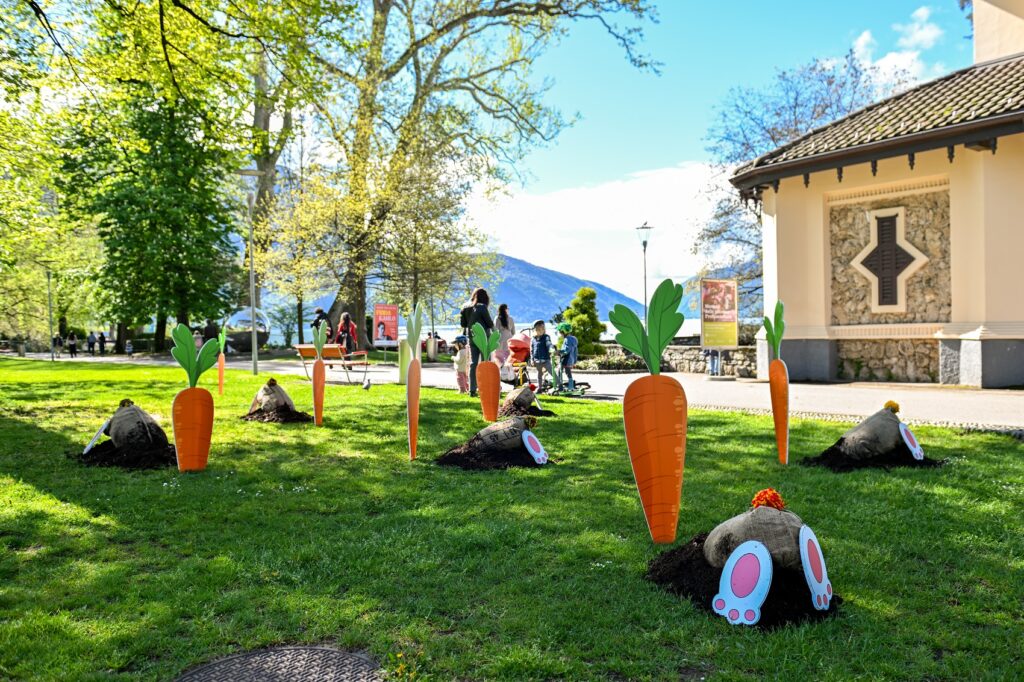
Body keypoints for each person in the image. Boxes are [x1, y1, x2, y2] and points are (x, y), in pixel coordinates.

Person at [459, 288, 494, 397]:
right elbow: (489, 323)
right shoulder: (482, 307)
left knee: (473, 363)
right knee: (485, 362)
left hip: (472, 337)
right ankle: (485, 387)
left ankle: (472, 389)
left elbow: (463, 324)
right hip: (484, 338)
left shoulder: (465, 307)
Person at [530, 320, 554, 391]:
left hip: (545, 359)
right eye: (539, 329)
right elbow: (531, 350)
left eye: (543, 329)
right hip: (537, 360)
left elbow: (549, 343)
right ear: (535, 330)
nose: (541, 331)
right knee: (539, 375)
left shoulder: (546, 337)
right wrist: (532, 359)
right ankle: (539, 388)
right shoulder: (533, 339)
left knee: (552, 372)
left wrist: (551, 348)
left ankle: (559, 385)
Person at [556, 323, 578, 390]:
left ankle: (560, 385)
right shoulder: (574, 339)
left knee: (560, 371)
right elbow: (575, 350)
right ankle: (568, 385)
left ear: (564, 332)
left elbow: (566, 350)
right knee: (566, 372)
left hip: (566, 358)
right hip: (571, 359)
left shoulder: (567, 339)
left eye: (561, 333)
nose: (560, 334)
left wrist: (559, 351)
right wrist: (574, 360)